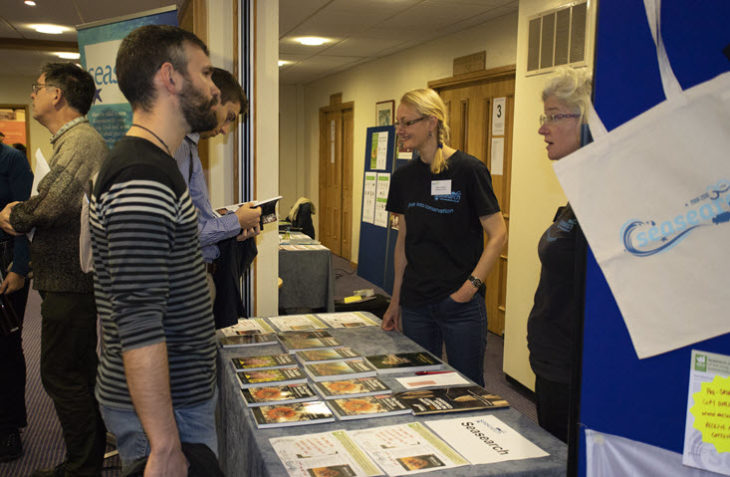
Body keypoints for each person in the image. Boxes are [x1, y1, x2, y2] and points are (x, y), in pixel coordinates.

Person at [89, 25, 221, 475]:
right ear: (171, 77)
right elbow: (139, 319)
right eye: (204, 73)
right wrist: (164, 446)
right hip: (167, 415)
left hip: (174, 402)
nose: (213, 86)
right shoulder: (140, 174)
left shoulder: (152, 164)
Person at [0, 62, 107, 477]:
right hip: (68, 279)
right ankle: (85, 460)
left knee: (62, 374)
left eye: (37, 87)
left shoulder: (79, 140)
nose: (32, 94)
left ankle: (82, 466)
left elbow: (53, 201)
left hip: (71, 282)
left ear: (57, 95)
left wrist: (15, 215)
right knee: (75, 372)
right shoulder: (71, 141)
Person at [381, 88, 507, 386]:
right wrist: (395, 299)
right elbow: (403, 244)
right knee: (420, 386)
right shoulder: (403, 178)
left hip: (459, 305)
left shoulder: (469, 170)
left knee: (468, 390)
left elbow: (499, 234)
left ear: (432, 123)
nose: (400, 130)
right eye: (398, 123)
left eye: (407, 123)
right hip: (415, 303)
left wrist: (470, 287)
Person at [527, 67, 592, 443]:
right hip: (551, 363)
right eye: (545, 117)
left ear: (586, 120)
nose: (543, 128)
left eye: (554, 117)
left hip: (573, 371)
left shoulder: (606, 198)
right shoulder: (578, 193)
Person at [173, 67, 260, 327]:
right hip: (184, 286)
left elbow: (192, 215)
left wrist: (233, 221)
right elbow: (181, 232)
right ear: (213, 98)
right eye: (229, 117)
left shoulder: (188, 147)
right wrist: (235, 223)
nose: (225, 130)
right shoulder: (177, 149)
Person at [0, 141, 33, 463]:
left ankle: (9, 427)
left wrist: (20, 268)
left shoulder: (12, 160)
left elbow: (24, 219)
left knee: (6, 345)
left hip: (6, 266)